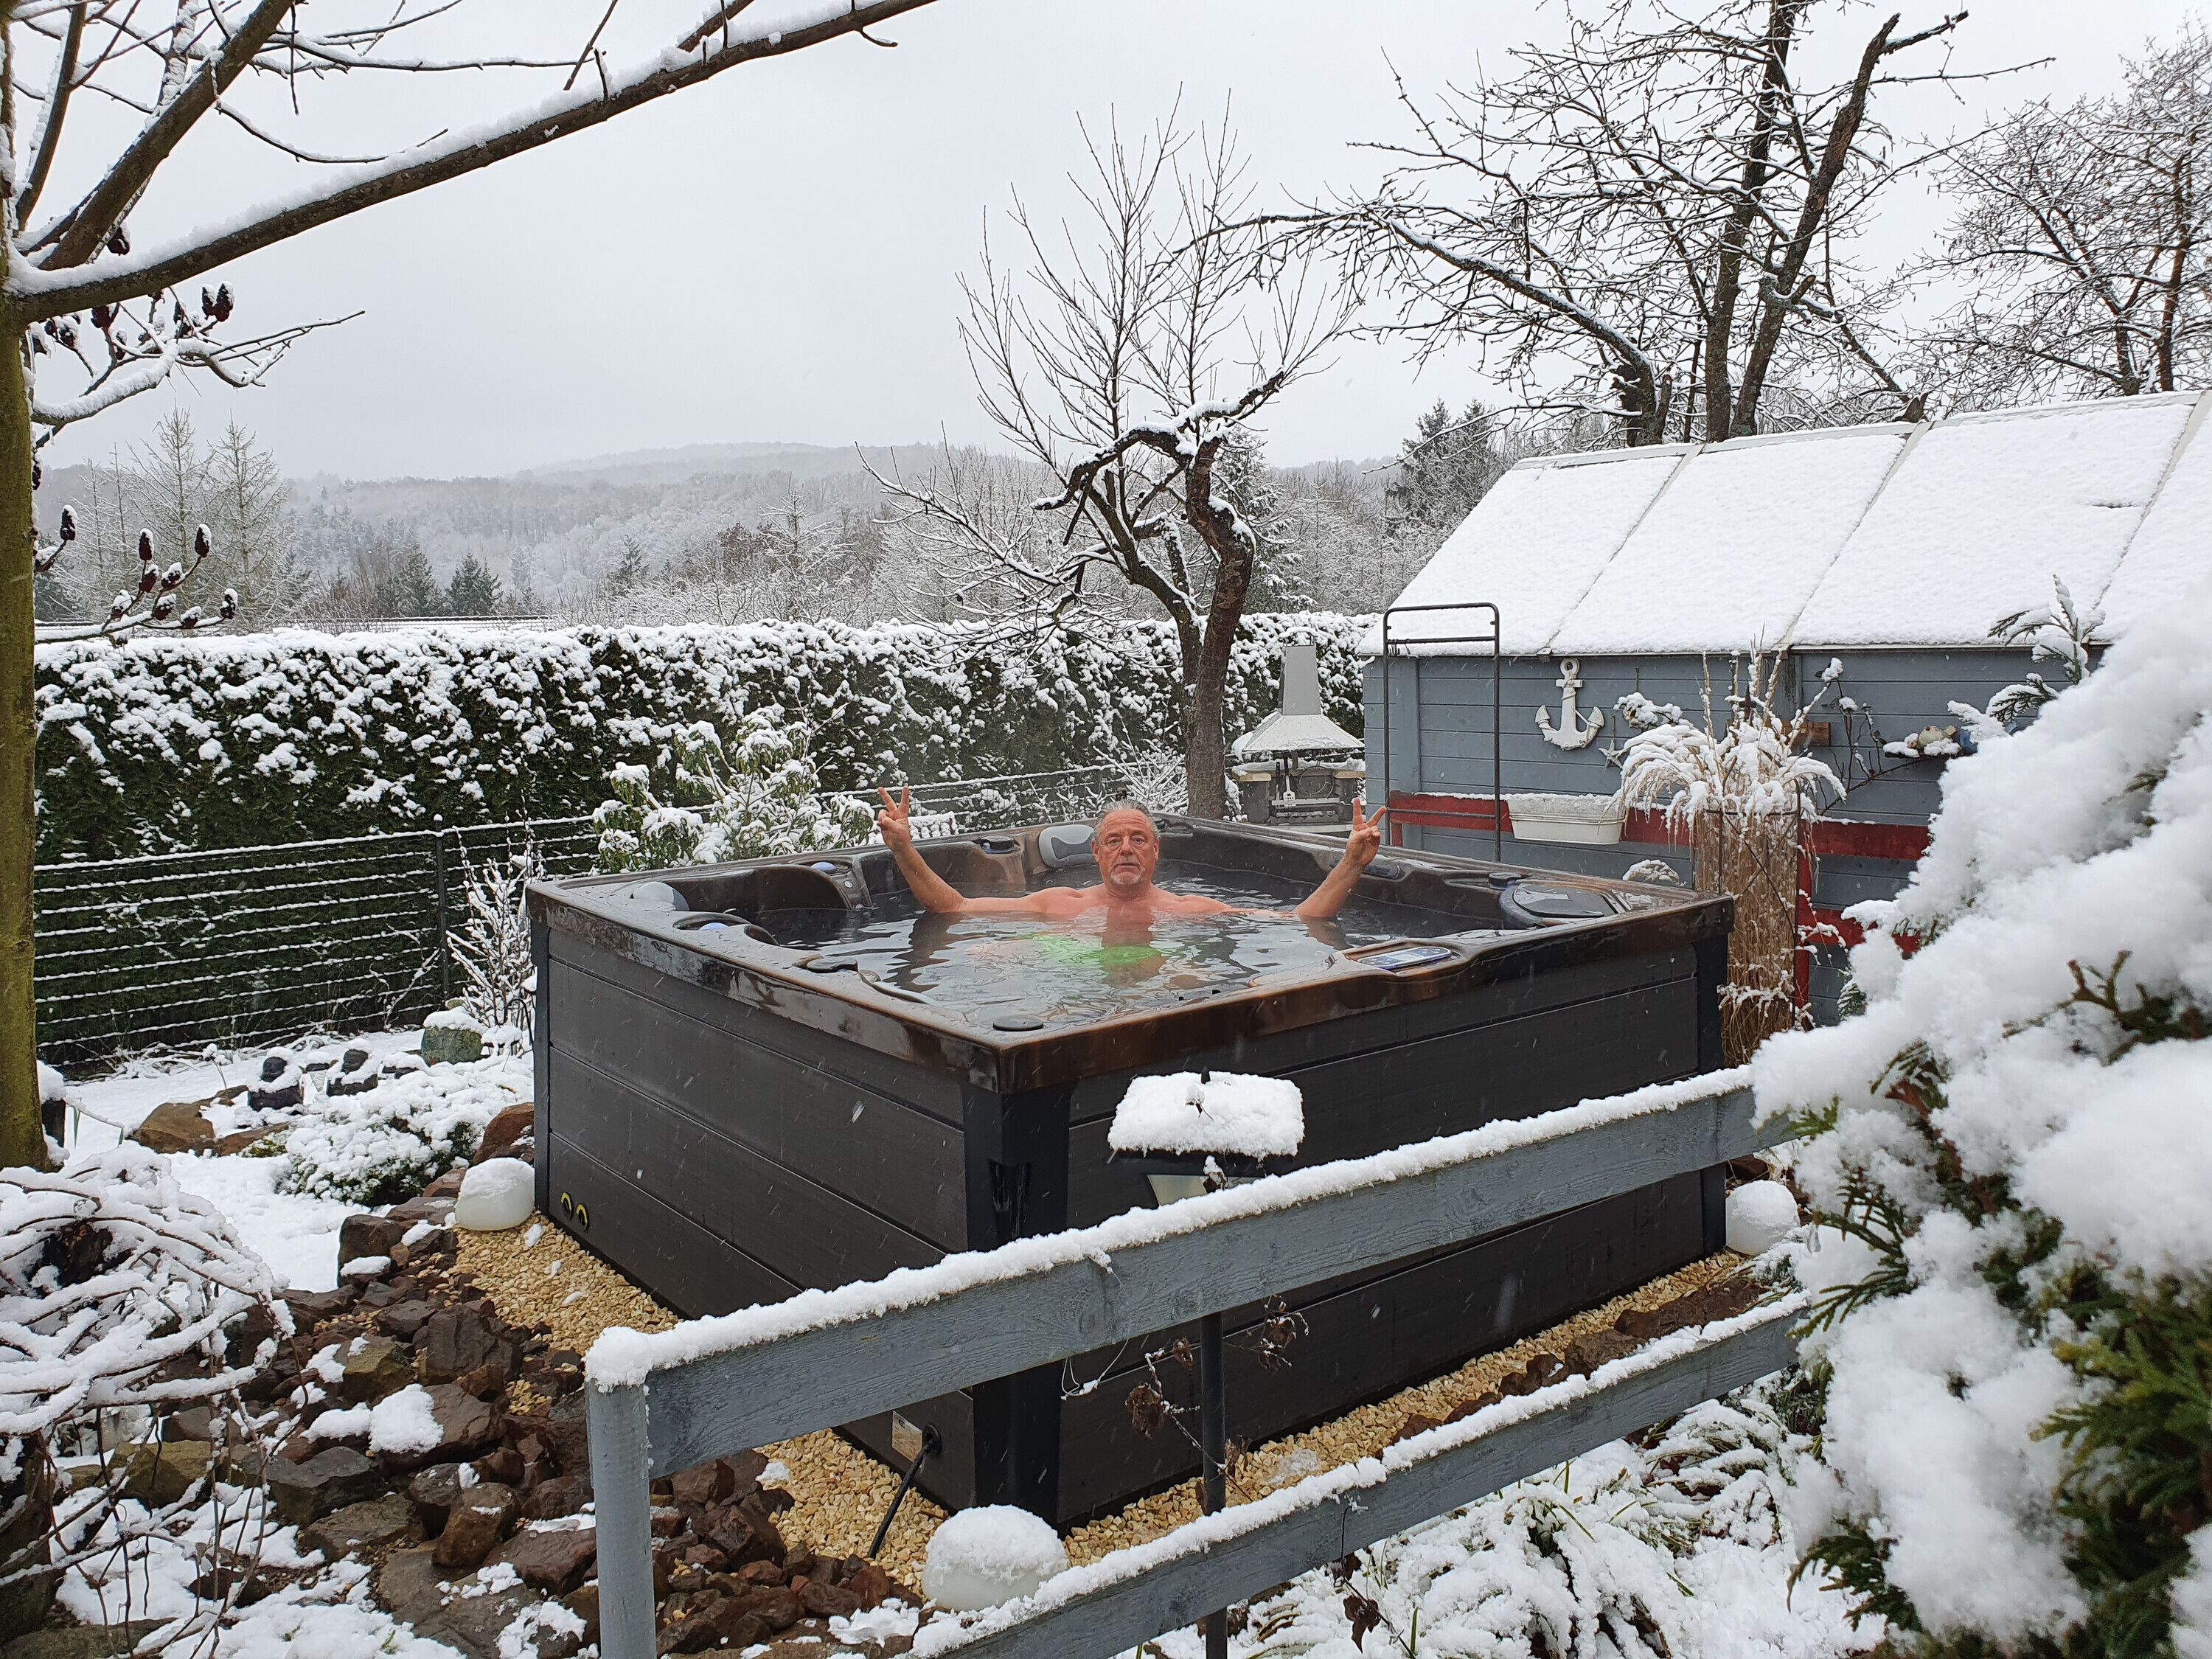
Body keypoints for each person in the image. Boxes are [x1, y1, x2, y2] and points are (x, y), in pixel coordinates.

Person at [872, 791, 1388, 923]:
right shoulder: (1058, 904)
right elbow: (955, 908)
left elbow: (1297, 921)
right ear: (1096, 853)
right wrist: (904, 849)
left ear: (1156, 852)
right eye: (1115, 840)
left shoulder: (1188, 911)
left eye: (1138, 839)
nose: (1126, 848)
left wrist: (1350, 864)